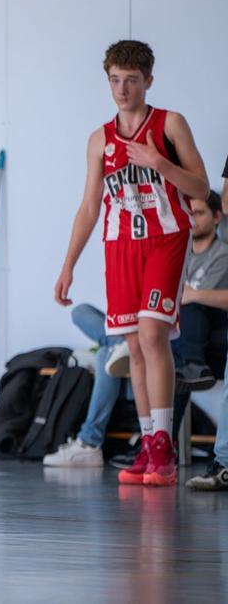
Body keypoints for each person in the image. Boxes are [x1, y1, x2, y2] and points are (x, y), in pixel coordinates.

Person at [54, 40, 210, 486]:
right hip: (119, 245)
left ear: (148, 82)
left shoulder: (170, 124)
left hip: (165, 239)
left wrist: (159, 162)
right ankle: (148, 443)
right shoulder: (99, 139)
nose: (122, 89)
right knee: (133, 346)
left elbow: (200, 188)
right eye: (115, 80)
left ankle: (164, 446)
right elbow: (89, 207)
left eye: (132, 81)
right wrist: (68, 265)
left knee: (151, 333)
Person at [47, 194, 228, 467]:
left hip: (183, 331)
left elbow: (188, 300)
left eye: (200, 213)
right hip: (153, 324)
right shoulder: (175, 246)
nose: (193, 220)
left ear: (216, 217)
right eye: (191, 213)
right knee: (81, 312)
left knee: (110, 354)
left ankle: (93, 440)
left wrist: (190, 295)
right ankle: (121, 340)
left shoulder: (220, 254)